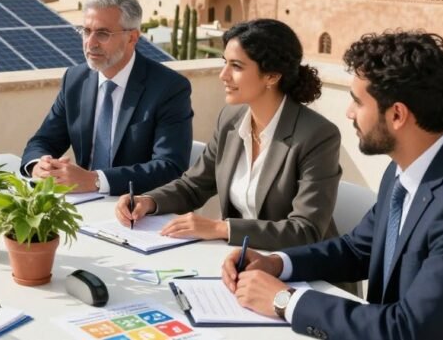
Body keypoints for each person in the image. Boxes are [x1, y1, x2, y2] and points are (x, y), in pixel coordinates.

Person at [222, 31, 443, 340]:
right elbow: (358, 249)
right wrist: (277, 263)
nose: (349, 113)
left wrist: (285, 301)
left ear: (397, 114)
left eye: (358, 101)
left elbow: (410, 330)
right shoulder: (408, 169)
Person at [116, 19, 342, 249]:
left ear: (272, 76)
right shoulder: (231, 119)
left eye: (237, 66)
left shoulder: (317, 135)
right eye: (225, 63)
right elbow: (194, 186)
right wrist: (149, 201)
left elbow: (305, 230)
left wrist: (221, 228)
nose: (223, 75)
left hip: (304, 271)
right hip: (242, 261)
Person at [20, 0, 192, 196]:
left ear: (132, 38)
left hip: (136, 209)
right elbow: (43, 141)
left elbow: (169, 166)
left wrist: (96, 180)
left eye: (102, 33)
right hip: (80, 203)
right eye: (86, 31)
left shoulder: (169, 87)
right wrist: (39, 165)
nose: (90, 43)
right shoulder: (75, 80)